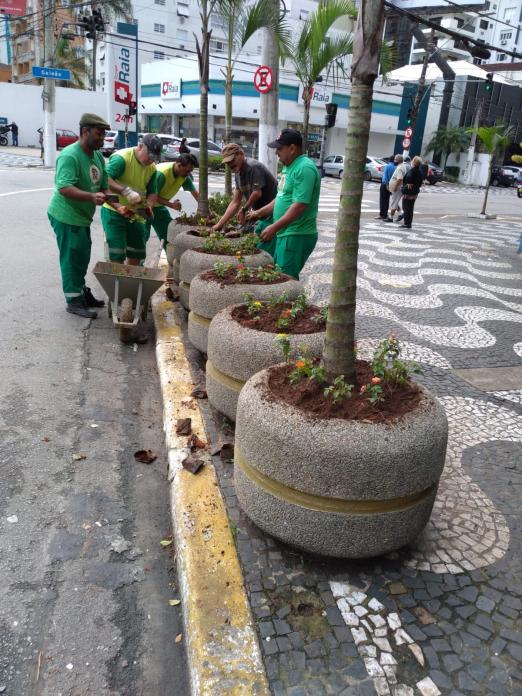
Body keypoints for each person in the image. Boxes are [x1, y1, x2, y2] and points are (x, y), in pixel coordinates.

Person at [47, 112, 111, 319]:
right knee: (72, 258)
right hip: (66, 215)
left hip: (82, 216)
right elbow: (64, 187)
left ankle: (81, 291)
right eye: (99, 134)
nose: (102, 138)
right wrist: (92, 197)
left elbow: (104, 186)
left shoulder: (97, 156)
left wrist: (120, 205)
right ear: (85, 131)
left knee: (81, 256)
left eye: (103, 134)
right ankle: (73, 300)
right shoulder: (70, 155)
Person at [247, 129, 320, 280]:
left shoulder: (304, 168)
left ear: (292, 148)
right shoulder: (289, 166)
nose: (276, 153)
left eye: (279, 149)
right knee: (276, 275)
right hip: (286, 232)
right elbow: (281, 197)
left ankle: (291, 304)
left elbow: (299, 205)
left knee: (285, 280)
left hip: (297, 234)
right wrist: (258, 213)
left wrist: (274, 227)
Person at [101, 133, 162, 266]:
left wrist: (149, 207)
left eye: (154, 158)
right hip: (114, 210)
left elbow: (152, 193)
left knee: (137, 252)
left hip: (136, 214)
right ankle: (117, 283)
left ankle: (129, 283)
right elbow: (104, 179)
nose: (151, 160)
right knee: (117, 252)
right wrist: (125, 191)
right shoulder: (121, 159)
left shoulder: (151, 168)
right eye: (149, 156)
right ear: (140, 146)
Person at [212, 142, 278, 255]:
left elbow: (257, 193)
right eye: (227, 163)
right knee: (254, 246)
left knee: (262, 252)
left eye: (232, 160)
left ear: (241, 154)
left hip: (273, 213)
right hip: (260, 215)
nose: (230, 165)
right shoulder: (238, 173)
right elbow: (235, 202)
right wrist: (219, 224)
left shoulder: (253, 167)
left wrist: (244, 209)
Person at [145, 153, 199, 247]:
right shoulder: (162, 174)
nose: (188, 174)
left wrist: (207, 209)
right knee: (142, 237)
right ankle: (136, 261)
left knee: (169, 235)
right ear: (179, 165)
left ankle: (170, 258)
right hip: (145, 206)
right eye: (187, 171)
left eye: (190, 171)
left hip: (159, 208)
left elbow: (195, 194)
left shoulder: (184, 176)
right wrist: (172, 205)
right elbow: (151, 195)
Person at [401, 155, 424, 229]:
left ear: (414, 162)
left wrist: (409, 183)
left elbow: (408, 177)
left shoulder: (412, 170)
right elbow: (420, 182)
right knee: (410, 208)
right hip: (415, 192)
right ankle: (408, 223)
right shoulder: (419, 171)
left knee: (406, 207)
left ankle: (406, 223)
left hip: (409, 191)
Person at [386, 155, 409, 223]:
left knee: (394, 202)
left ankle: (390, 217)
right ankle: (400, 214)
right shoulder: (401, 166)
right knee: (395, 202)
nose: (394, 161)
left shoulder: (399, 168)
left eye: (396, 159)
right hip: (397, 187)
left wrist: (395, 187)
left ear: (400, 160)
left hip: (397, 188)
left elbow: (399, 179)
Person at [377, 155, 399, 221]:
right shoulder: (396, 167)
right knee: (387, 200)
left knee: (382, 200)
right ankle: (386, 214)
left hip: (385, 184)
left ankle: (383, 215)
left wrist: (386, 184)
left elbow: (385, 177)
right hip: (392, 184)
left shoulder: (387, 166)